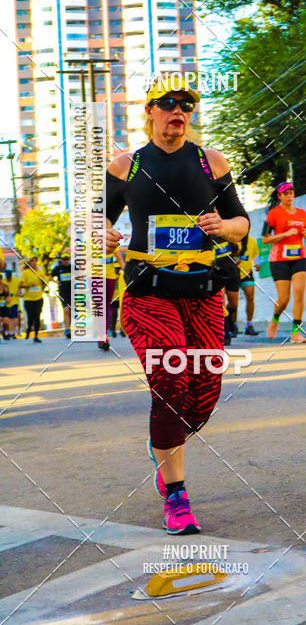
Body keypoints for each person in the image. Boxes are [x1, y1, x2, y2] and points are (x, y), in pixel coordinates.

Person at [104, 74, 249, 535]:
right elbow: (94, 223)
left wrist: (226, 228)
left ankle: (163, 444)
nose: (177, 111)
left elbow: (242, 220)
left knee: (202, 393)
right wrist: (102, 235)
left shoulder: (211, 162)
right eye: (166, 104)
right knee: (170, 379)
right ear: (149, 112)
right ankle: (176, 494)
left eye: (185, 104)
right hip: (149, 291)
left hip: (203, 292)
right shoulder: (127, 165)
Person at [262, 182, 306, 344]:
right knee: (284, 299)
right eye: (286, 194)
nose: (289, 196)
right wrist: (284, 234)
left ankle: (296, 333)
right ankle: (275, 319)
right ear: (280, 196)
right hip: (279, 260)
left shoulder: (302, 213)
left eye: (291, 193)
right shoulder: (273, 214)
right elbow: (265, 239)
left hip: (299, 257)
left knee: (299, 292)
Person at [98, 249, 124, 351]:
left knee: (106, 307)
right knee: (100, 305)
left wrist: (126, 272)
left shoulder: (110, 239)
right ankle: (102, 338)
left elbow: (119, 257)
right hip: (94, 277)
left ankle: (103, 336)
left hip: (110, 277)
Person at [237, 233, 261, 335]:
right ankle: (233, 325)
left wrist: (257, 264)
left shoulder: (252, 241)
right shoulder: (231, 239)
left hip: (247, 273)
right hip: (233, 272)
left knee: (250, 297)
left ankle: (249, 325)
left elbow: (256, 255)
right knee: (233, 302)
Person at [18, 257, 46, 342]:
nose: (34, 263)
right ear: (29, 263)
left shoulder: (40, 272)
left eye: (36, 261)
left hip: (39, 298)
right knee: (31, 316)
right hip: (28, 299)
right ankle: (29, 328)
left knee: (37, 315)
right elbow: (20, 286)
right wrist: (29, 285)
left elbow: (44, 283)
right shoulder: (25, 273)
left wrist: (41, 289)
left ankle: (36, 336)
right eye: (32, 261)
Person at [51, 253, 72, 339]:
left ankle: (70, 327)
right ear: (61, 260)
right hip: (63, 292)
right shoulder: (58, 268)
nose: (66, 261)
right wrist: (57, 282)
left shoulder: (72, 267)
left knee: (71, 311)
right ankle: (67, 329)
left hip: (72, 291)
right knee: (66, 309)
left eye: (67, 259)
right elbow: (50, 277)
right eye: (64, 259)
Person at [2, 270, 20, 339]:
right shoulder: (3, 281)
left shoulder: (16, 279)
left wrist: (18, 292)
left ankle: (12, 333)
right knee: (5, 319)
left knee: (15, 317)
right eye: (7, 276)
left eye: (10, 276)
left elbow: (19, 287)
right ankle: (5, 332)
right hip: (5, 303)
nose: (9, 278)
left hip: (14, 301)